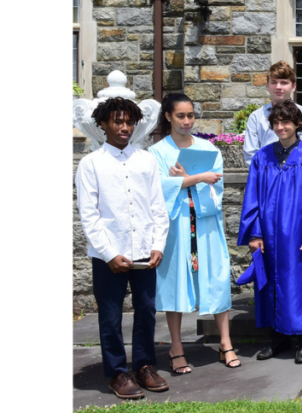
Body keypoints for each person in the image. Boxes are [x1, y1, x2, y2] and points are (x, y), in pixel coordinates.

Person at [76, 97, 170, 399]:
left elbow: (158, 207)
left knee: (146, 311)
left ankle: (144, 366)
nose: (124, 127)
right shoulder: (91, 164)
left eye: (129, 122)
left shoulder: (146, 160)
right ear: (103, 124)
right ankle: (117, 372)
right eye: (118, 121)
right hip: (109, 255)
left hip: (144, 250)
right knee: (110, 315)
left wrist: (158, 245)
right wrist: (108, 253)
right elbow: (88, 215)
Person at [150, 94, 237, 374]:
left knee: (216, 278)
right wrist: (197, 178)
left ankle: (225, 342)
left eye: (190, 115)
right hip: (176, 227)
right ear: (168, 117)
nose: (187, 121)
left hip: (205, 224)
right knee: (174, 283)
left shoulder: (208, 148)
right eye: (180, 116)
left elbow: (216, 188)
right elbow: (159, 188)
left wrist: (184, 180)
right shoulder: (156, 153)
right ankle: (176, 347)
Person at [238, 101, 302, 365]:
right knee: (269, 285)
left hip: (298, 234)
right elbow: (251, 196)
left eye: (286, 122)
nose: (281, 127)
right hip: (267, 234)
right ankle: (276, 340)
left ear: (298, 124)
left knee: (301, 285)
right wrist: (255, 233)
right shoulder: (262, 157)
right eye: (276, 123)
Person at [243, 60, 302, 167]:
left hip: (295, 178)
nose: (278, 87)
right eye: (274, 82)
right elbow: (251, 155)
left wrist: (287, 175)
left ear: (293, 86)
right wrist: (267, 175)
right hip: (265, 178)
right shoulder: (256, 117)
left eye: (284, 82)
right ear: (268, 86)